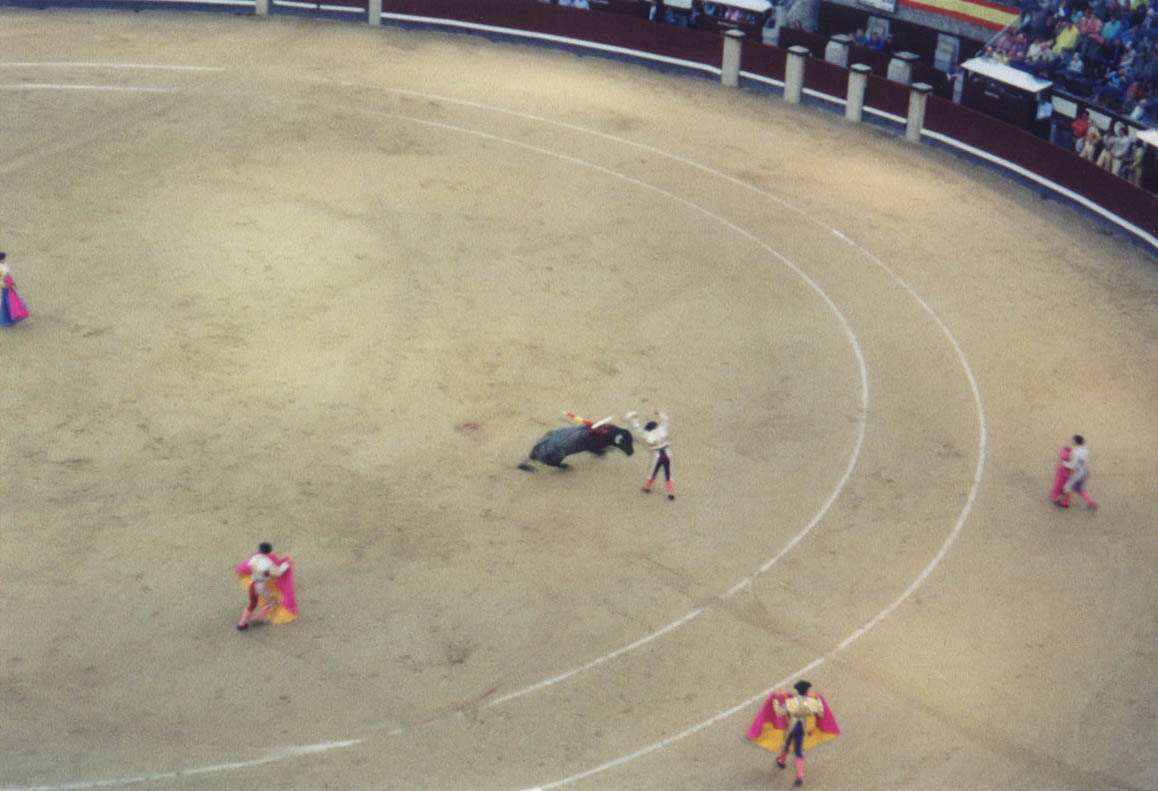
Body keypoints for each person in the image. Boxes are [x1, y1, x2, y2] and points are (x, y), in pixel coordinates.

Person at [746, 680, 840, 787]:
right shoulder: (811, 702)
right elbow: (821, 713)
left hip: (792, 726)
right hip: (802, 727)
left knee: (787, 743)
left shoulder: (791, 702)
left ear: (797, 690)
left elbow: (779, 712)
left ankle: (782, 761)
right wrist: (818, 700)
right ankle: (799, 775)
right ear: (806, 691)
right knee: (798, 751)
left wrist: (776, 699)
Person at [235, 542, 297, 629]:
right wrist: (286, 564)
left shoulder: (254, 558)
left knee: (252, 604)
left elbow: (249, 566)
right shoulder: (268, 563)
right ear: (269, 552)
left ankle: (241, 624)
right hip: (260, 586)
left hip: (252, 584)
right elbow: (278, 573)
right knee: (272, 602)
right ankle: (256, 618)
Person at [625, 409, 674, 500]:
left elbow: (638, 429)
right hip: (668, 453)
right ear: (656, 426)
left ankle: (648, 488)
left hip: (657, 455)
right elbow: (666, 419)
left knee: (653, 472)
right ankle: (670, 493)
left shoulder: (647, 435)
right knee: (668, 473)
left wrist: (635, 418)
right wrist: (659, 413)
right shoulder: (663, 429)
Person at [1060, 434, 1097, 508]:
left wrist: (1064, 463)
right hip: (1085, 471)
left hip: (1079, 473)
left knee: (1068, 486)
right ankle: (1091, 502)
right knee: (1078, 488)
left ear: (1075, 442)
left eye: (1073, 441)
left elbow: (1073, 465)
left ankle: (1065, 502)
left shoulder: (1075, 451)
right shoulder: (1085, 449)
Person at [0, 252, 30, 327]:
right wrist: (4, 284)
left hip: (8, 284)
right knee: (7, 301)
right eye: (3, 259)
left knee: (9, 300)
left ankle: (10, 316)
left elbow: (8, 275)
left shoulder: (4, 265)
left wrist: (12, 282)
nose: (4, 260)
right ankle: (7, 318)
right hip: (5, 286)